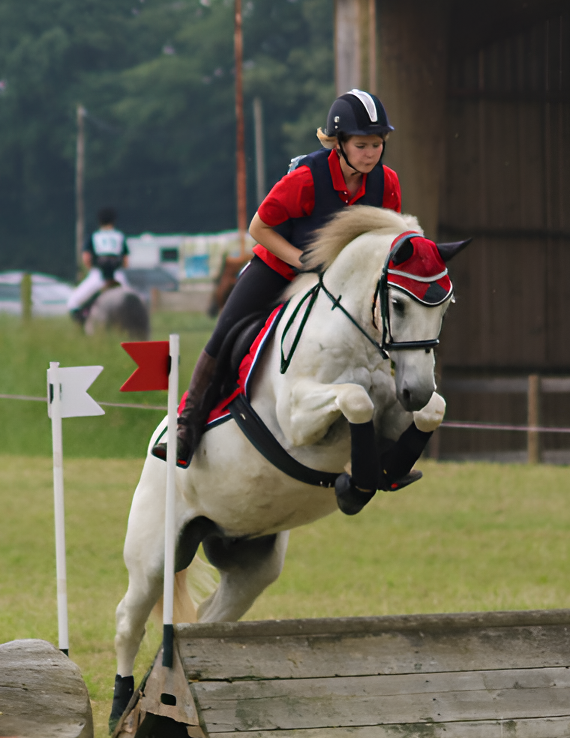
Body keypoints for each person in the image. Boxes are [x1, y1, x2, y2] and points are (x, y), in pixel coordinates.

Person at [167, 89, 401, 465]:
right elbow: (258, 227)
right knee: (227, 329)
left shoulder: (386, 183)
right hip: (280, 266)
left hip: (343, 281)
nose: (371, 152)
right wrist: (302, 260)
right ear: (338, 143)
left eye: (377, 144)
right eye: (361, 144)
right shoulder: (307, 178)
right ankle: (188, 422)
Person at [68, 206, 129, 323]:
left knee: (73, 302)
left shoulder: (94, 236)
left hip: (98, 276)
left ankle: (83, 324)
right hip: (117, 276)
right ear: (114, 221)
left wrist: (91, 269)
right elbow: (126, 262)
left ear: (99, 221)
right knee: (132, 301)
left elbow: (86, 257)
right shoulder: (120, 236)